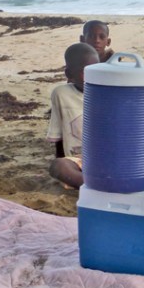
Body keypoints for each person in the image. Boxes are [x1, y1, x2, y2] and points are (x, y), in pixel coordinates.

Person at [46, 42, 99, 189]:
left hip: (107, 158)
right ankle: (97, 186)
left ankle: (96, 186)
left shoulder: (107, 93)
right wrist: (64, 161)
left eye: (95, 70)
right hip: (79, 161)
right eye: (85, 71)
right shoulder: (61, 94)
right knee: (58, 167)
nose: (92, 76)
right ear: (69, 74)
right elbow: (58, 136)